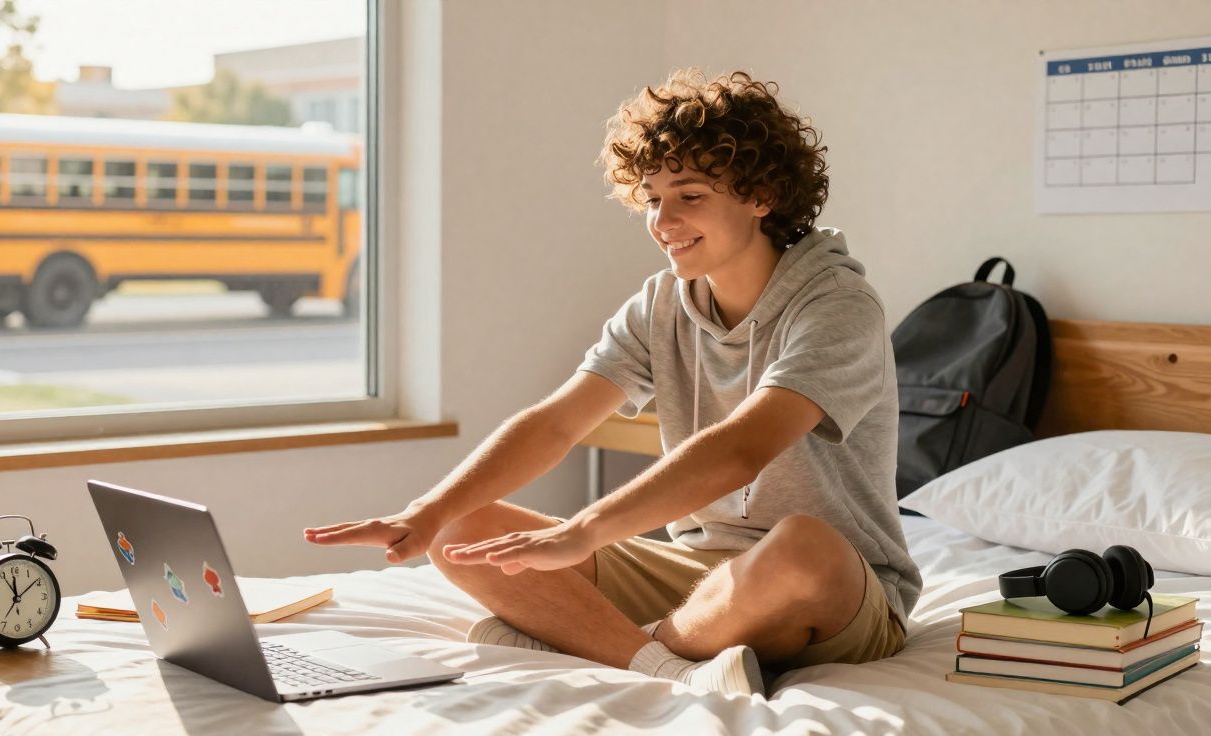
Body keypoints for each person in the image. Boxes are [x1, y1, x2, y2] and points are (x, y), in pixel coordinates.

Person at [305, 67, 922, 698]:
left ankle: (599, 641)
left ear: (762, 195)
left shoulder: (839, 304)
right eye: (653, 199)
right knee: (462, 532)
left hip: (841, 588)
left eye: (690, 195)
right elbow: (556, 423)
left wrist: (588, 530)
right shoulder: (662, 302)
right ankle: (663, 662)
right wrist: (424, 512)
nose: (663, 220)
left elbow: (742, 449)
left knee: (802, 547)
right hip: (699, 573)